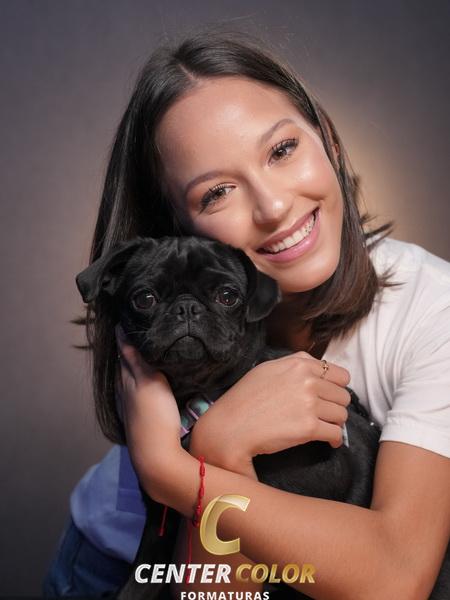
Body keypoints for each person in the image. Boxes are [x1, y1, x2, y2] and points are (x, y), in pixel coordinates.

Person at [43, 28, 450, 599]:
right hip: (114, 566)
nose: (274, 206)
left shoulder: (432, 308)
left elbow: (396, 576)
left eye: (282, 150)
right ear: (178, 225)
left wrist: (180, 466)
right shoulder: (155, 308)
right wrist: (219, 452)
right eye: (216, 193)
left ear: (329, 140)